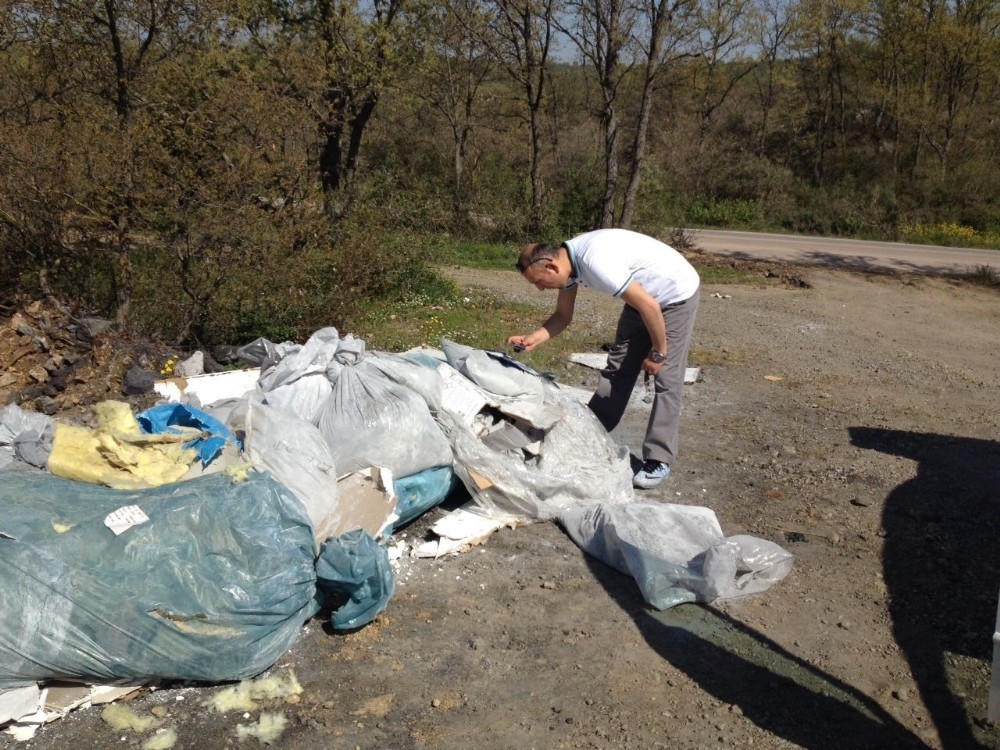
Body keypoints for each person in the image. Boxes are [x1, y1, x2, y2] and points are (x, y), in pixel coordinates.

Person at [507, 228, 700, 489]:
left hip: (674, 294)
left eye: (539, 282)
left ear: (552, 266)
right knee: (618, 368)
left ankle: (659, 458)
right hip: (642, 299)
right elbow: (563, 316)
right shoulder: (569, 265)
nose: (541, 289)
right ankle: (590, 434)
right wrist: (534, 338)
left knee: (666, 378)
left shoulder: (596, 263)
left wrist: (658, 352)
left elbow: (651, 307)